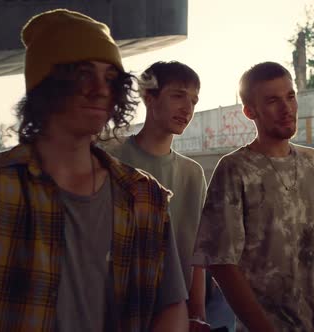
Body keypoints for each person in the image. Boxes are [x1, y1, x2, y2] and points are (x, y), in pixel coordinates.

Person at [0, 9, 188, 332]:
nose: (101, 89)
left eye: (111, 78)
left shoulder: (145, 196)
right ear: (45, 85)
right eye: (83, 74)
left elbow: (170, 307)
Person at [192, 62, 314, 332]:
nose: (286, 108)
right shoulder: (234, 169)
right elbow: (222, 264)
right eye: (272, 100)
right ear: (250, 111)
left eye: (290, 97)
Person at [108, 61, 235, 332]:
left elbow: (198, 252)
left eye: (194, 100)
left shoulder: (192, 173)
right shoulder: (111, 158)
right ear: (149, 97)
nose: (187, 108)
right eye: (178, 95)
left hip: (176, 311)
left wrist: (198, 312)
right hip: (119, 305)